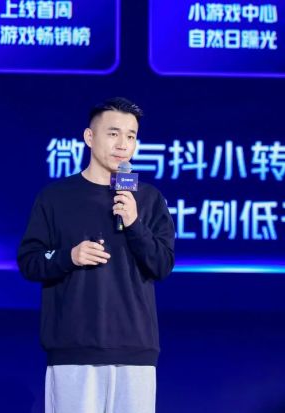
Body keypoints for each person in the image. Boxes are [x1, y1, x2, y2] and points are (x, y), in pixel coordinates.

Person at [17, 97, 175, 413]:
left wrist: (134, 224)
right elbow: (30, 261)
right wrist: (68, 257)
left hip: (135, 350)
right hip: (73, 350)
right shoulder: (56, 197)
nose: (123, 144)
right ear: (90, 137)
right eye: (113, 133)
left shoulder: (147, 199)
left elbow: (162, 264)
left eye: (131, 136)